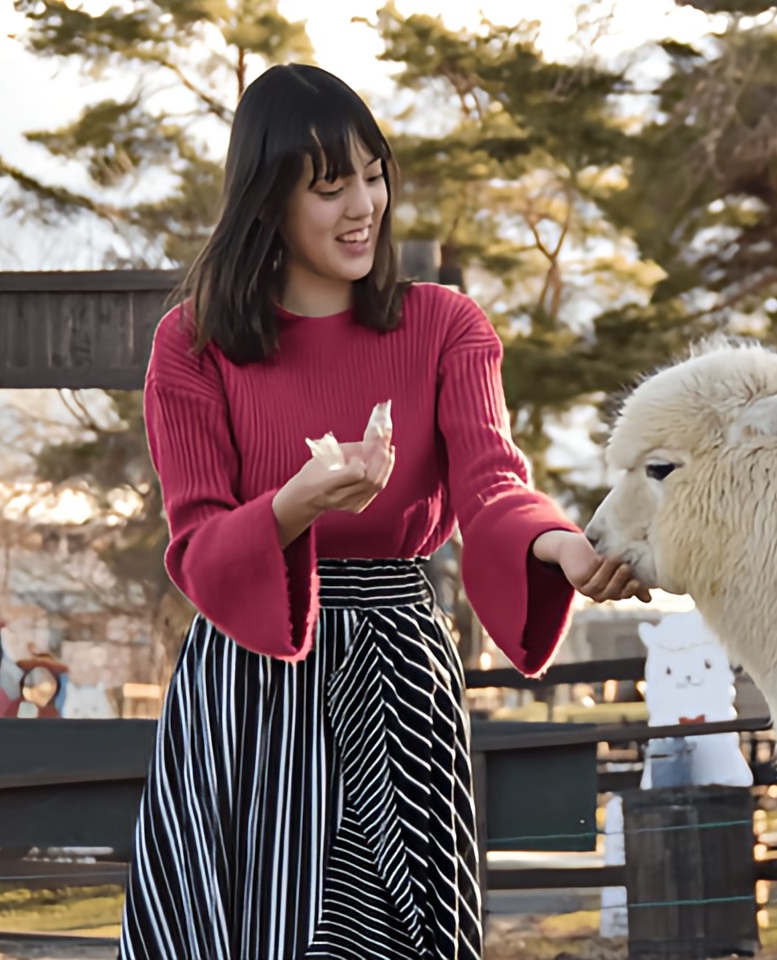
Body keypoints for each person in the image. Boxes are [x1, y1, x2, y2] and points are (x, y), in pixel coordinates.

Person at [119, 62, 648, 960]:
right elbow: (200, 546)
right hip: (250, 684)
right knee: (255, 931)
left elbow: (492, 484)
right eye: (330, 187)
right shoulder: (193, 346)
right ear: (267, 200)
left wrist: (557, 545)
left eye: (373, 173)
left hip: (398, 671)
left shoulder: (445, 326)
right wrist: (289, 508)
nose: (363, 204)